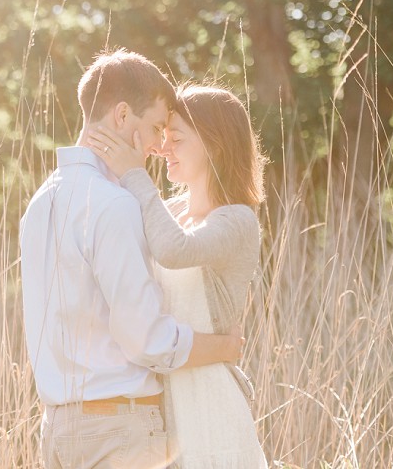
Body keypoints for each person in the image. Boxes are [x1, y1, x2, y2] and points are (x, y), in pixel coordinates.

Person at [20, 50, 245, 469]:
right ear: (122, 116)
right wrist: (221, 347)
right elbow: (147, 340)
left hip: (58, 433)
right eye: (157, 127)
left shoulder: (41, 201)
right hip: (118, 432)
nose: (161, 144)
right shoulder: (114, 204)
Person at [87, 82, 269, 468]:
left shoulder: (237, 220)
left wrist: (136, 175)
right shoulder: (168, 210)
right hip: (157, 410)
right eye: (164, 136)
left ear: (214, 144)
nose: (163, 148)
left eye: (177, 139)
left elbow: (175, 250)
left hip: (210, 406)